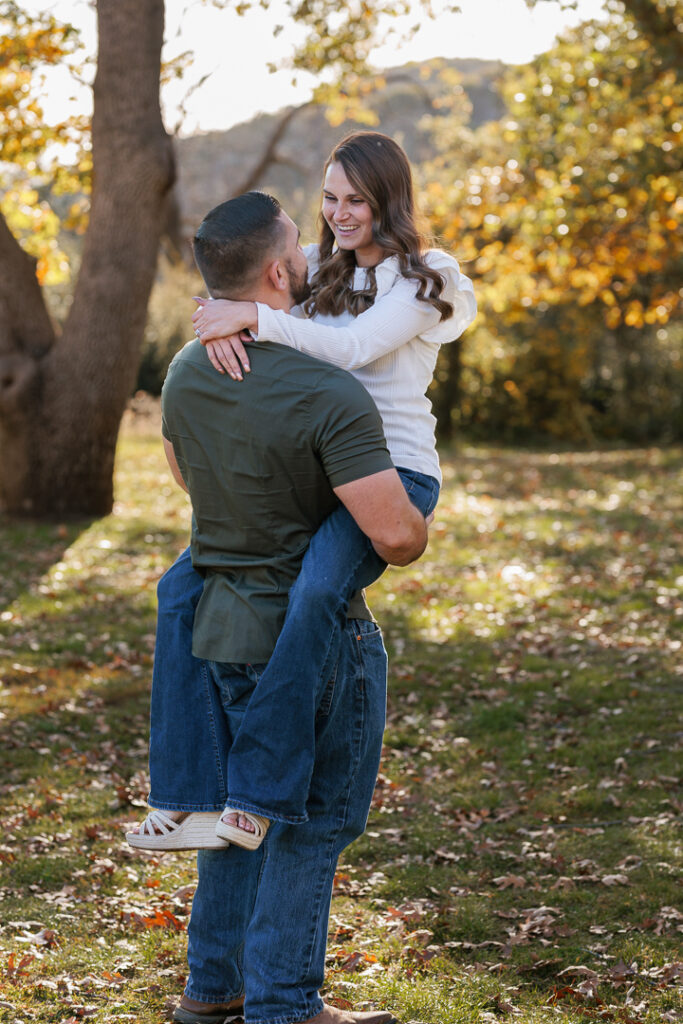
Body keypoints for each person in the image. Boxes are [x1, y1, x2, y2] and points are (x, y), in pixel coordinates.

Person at [129, 130, 476, 850]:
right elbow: (245, 275)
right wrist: (215, 321)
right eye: (329, 198)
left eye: (357, 199)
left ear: (391, 201)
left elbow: (350, 349)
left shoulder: (426, 276)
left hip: (393, 470)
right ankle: (184, 795)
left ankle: (254, 796)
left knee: (316, 591)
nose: (340, 213)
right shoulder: (322, 265)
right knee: (180, 585)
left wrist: (254, 318)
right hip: (317, 469)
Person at [159, 191, 426, 1024]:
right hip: (311, 642)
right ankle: (284, 1003)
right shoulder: (328, 392)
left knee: (235, 814)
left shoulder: (183, 369)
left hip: (219, 627)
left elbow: (186, 475)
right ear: (279, 271)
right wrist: (416, 512)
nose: (313, 255)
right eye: (299, 250)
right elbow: (393, 537)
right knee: (310, 821)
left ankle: (214, 989)